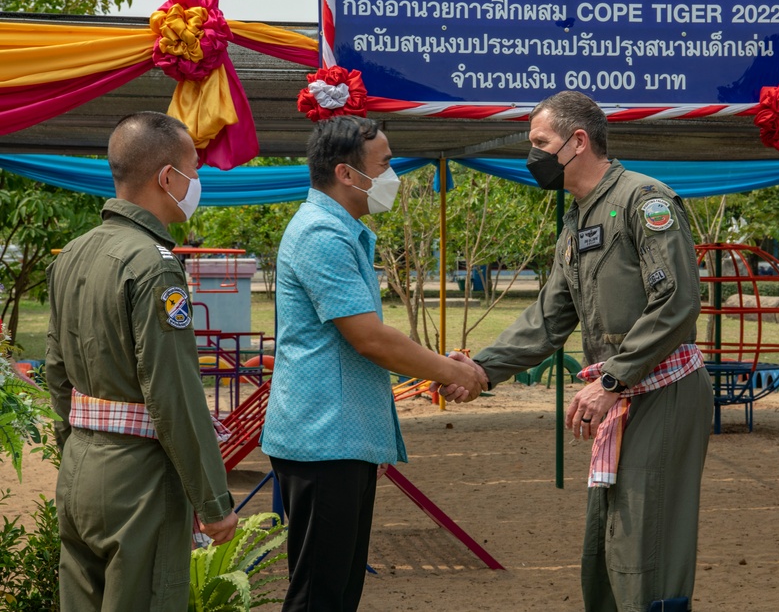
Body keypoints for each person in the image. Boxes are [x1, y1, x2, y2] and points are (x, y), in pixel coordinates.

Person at [462, 90, 714, 611]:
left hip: (660, 392)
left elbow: (678, 301)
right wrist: (480, 371)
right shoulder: (576, 222)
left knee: (646, 547)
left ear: (578, 142)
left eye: (539, 142)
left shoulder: (645, 201)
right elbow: (549, 320)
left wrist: (611, 379)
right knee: (607, 543)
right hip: (621, 395)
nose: (531, 155)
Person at [260, 115, 488, 612]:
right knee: (319, 594)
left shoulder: (342, 231)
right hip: (323, 440)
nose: (392, 176)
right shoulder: (323, 233)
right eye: (384, 165)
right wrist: (453, 373)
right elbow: (370, 339)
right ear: (346, 173)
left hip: (340, 438)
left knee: (339, 591)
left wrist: (446, 366)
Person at [46, 111, 238, 610]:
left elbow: (56, 373)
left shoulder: (71, 254)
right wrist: (214, 502)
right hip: (140, 483)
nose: (197, 180)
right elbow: (173, 391)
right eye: (194, 169)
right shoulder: (154, 265)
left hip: (80, 470)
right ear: (168, 178)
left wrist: (75, 450)